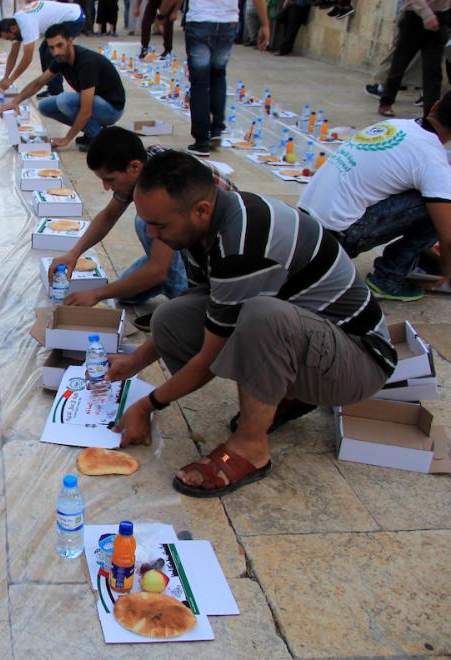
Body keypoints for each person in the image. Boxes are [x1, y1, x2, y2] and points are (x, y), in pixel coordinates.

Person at [107, 151, 396, 497]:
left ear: (201, 210)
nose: (153, 234)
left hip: (360, 360)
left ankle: (251, 447)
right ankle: (288, 392)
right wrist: (135, 361)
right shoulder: (201, 230)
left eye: (160, 225)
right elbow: (209, 309)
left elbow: (207, 359)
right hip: (315, 337)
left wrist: (147, 405)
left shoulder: (242, 242)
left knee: (262, 317)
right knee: (171, 316)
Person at [49, 128, 239, 326]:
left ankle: (182, 305)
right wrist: (74, 254)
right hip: (190, 233)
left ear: (134, 167)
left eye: (110, 179)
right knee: (125, 294)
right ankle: (171, 283)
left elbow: (157, 270)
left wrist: (96, 294)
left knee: (145, 223)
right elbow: (109, 215)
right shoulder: (143, 167)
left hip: (217, 249)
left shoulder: (163, 186)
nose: (106, 187)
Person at [299, 92, 451, 302]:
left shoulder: (395, 125)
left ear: (435, 106)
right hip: (335, 241)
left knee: (433, 190)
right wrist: (447, 272)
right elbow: (448, 237)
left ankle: (406, 264)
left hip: (304, 227)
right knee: (441, 200)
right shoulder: (431, 160)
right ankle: (389, 279)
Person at [156, 0, 269, 156]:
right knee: (218, 74)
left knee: (199, 82)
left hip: (200, 20)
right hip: (228, 22)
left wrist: (162, 13)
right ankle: (216, 129)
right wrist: (265, 24)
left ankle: (202, 140)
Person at [0, 24, 125, 150]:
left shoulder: (87, 62)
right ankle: (92, 131)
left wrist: (66, 139)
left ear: (70, 41)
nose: (56, 52)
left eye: (59, 45)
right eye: (51, 48)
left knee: (64, 101)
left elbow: (86, 109)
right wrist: (15, 101)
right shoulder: (61, 59)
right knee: (45, 106)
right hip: (97, 103)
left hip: (112, 109)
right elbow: (38, 83)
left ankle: (98, 136)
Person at [0, 0, 84, 97]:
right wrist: (5, 77)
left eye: (9, 38)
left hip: (74, 18)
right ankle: (52, 88)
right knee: (43, 49)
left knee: (51, 53)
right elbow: (13, 54)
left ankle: (56, 92)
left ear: (13, 29)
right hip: (63, 19)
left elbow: (27, 58)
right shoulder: (16, 22)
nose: (10, 40)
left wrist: (11, 80)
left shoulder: (27, 24)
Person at [378, 0, 449, 118]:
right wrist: (427, 15)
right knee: (399, 64)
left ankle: (431, 113)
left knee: (433, 71)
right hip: (415, 17)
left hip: (440, 17)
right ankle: (386, 102)